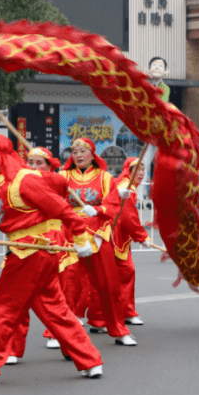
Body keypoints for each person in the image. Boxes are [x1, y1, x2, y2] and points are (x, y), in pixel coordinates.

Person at [0, 134, 103, 385]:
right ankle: (90, 360)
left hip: (28, 253)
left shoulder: (25, 180)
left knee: (2, 309)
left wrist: (81, 238)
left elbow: (61, 208)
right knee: (56, 311)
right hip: (32, 254)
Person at [60, 137, 137, 345]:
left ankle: (119, 330)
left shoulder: (104, 177)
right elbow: (49, 199)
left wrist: (98, 209)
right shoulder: (62, 176)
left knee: (108, 284)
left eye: (83, 151)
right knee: (68, 284)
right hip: (71, 234)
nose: (78, 155)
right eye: (74, 152)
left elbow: (112, 204)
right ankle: (58, 333)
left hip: (98, 233)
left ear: (92, 154)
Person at [112, 157, 150, 326]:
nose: (141, 174)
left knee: (122, 274)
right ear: (128, 170)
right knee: (124, 272)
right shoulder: (126, 187)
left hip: (119, 237)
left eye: (143, 170)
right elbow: (128, 217)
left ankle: (122, 312)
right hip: (113, 236)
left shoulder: (127, 186)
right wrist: (142, 236)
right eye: (137, 170)